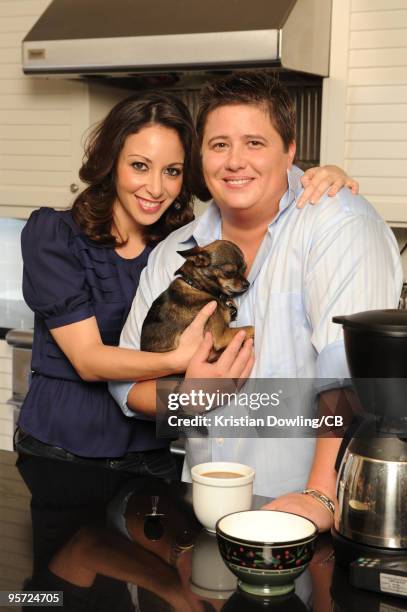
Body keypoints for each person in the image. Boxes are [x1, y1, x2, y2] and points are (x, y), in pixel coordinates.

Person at [15, 89, 352, 573]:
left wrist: (325, 179)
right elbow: (89, 359)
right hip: (65, 451)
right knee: (57, 591)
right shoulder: (54, 235)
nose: (156, 187)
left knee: (147, 586)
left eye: (172, 171)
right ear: (110, 161)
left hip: (151, 456)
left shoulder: (179, 243)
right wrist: (179, 364)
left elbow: (259, 182)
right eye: (139, 166)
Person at [109, 72, 403, 532]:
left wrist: (319, 496)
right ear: (200, 156)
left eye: (254, 143)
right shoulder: (175, 252)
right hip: (204, 509)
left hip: (306, 513)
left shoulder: (338, 226)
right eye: (219, 144)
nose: (235, 162)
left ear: (290, 150)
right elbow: (127, 382)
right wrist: (186, 399)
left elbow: (345, 373)